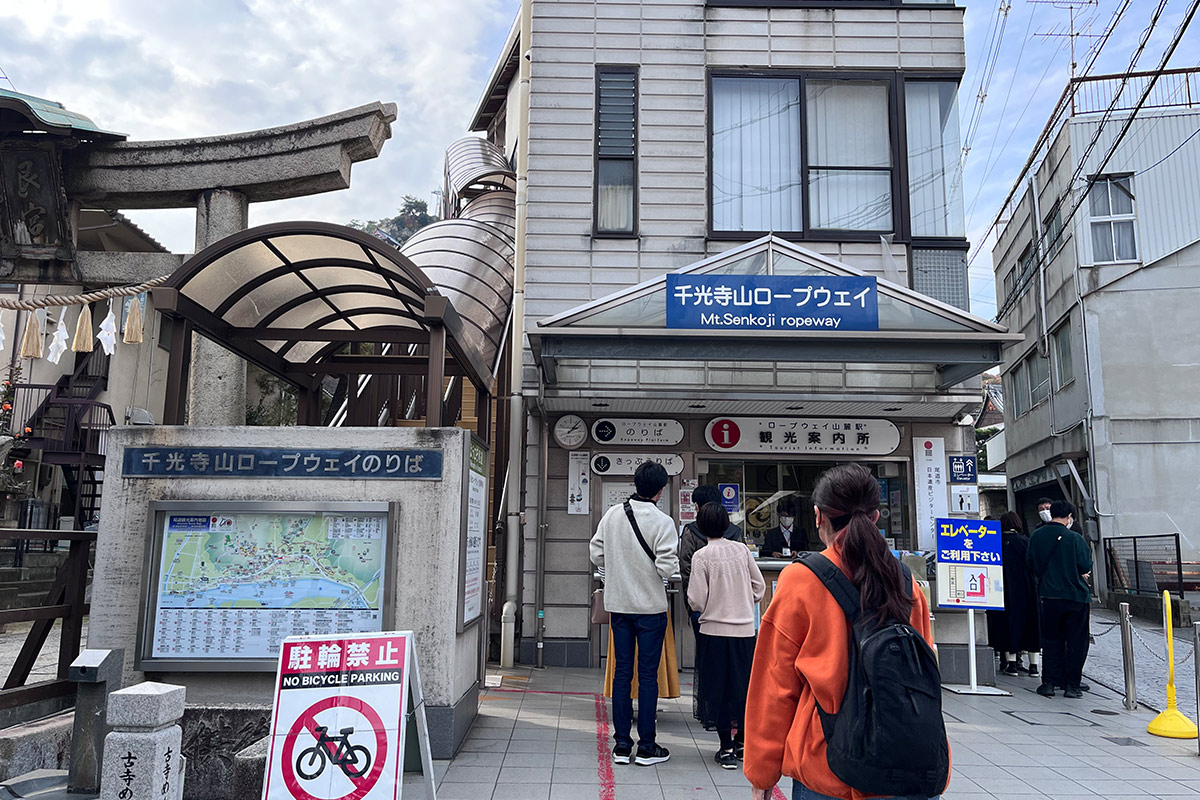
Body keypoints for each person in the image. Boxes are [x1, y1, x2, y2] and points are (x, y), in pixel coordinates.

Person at [744, 464, 947, 800]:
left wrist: (762, 772)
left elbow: (775, 686)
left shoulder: (801, 580)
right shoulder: (907, 583)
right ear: (876, 516)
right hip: (908, 761)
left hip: (828, 763)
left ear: (818, 516)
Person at [589, 461, 679, 766]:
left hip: (619, 606)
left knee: (622, 674)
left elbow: (596, 553)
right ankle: (648, 746)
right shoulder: (662, 521)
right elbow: (667, 567)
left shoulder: (613, 515)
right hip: (651, 609)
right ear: (661, 490)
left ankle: (622, 745)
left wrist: (618, 568)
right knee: (648, 676)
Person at [688, 501, 765, 769]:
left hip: (714, 632)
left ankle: (726, 747)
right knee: (743, 689)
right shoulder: (742, 550)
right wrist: (744, 601)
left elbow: (696, 599)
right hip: (744, 631)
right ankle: (743, 742)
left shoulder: (702, 556)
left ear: (701, 526)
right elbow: (760, 587)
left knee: (717, 689)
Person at [1026, 500, 1092, 699]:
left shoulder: (1037, 536)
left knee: (1051, 640)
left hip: (1049, 596)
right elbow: (1085, 565)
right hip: (1076, 597)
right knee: (1076, 642)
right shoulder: (1075, 539)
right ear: (1070, 516)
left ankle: (1048, 683)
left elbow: (1031, 563)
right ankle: (1072, 684)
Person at [680, 483, 745, 636]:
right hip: (733, 606)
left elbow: (685, 567)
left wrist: (692, 604)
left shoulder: (691, 531)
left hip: (702, 607)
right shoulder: (735, 532)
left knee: (705, 651)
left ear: (697, 506)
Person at [986, 511, 1041, 677]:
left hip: (1003, 590)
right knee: (1031, 625)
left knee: (1007, 625)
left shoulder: (996, 542)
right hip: (1027, 590)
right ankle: (1034, 666)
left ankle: (1011, 664)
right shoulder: (1026, 542)